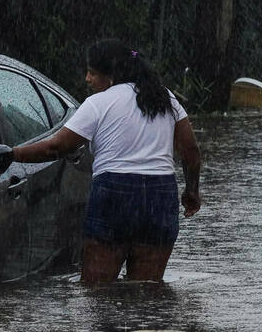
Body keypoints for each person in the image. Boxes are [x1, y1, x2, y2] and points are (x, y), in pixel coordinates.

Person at [12, 39, 202, 284]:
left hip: (114, 193)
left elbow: (55, 147)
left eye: (92, 73)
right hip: (160, 195)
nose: (87, 80)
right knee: (147, 290)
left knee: (96, 291)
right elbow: (191, 150)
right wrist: (192, 191)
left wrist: (12, 154)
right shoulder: (165, 98)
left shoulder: (98, 104)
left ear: (111, 75)